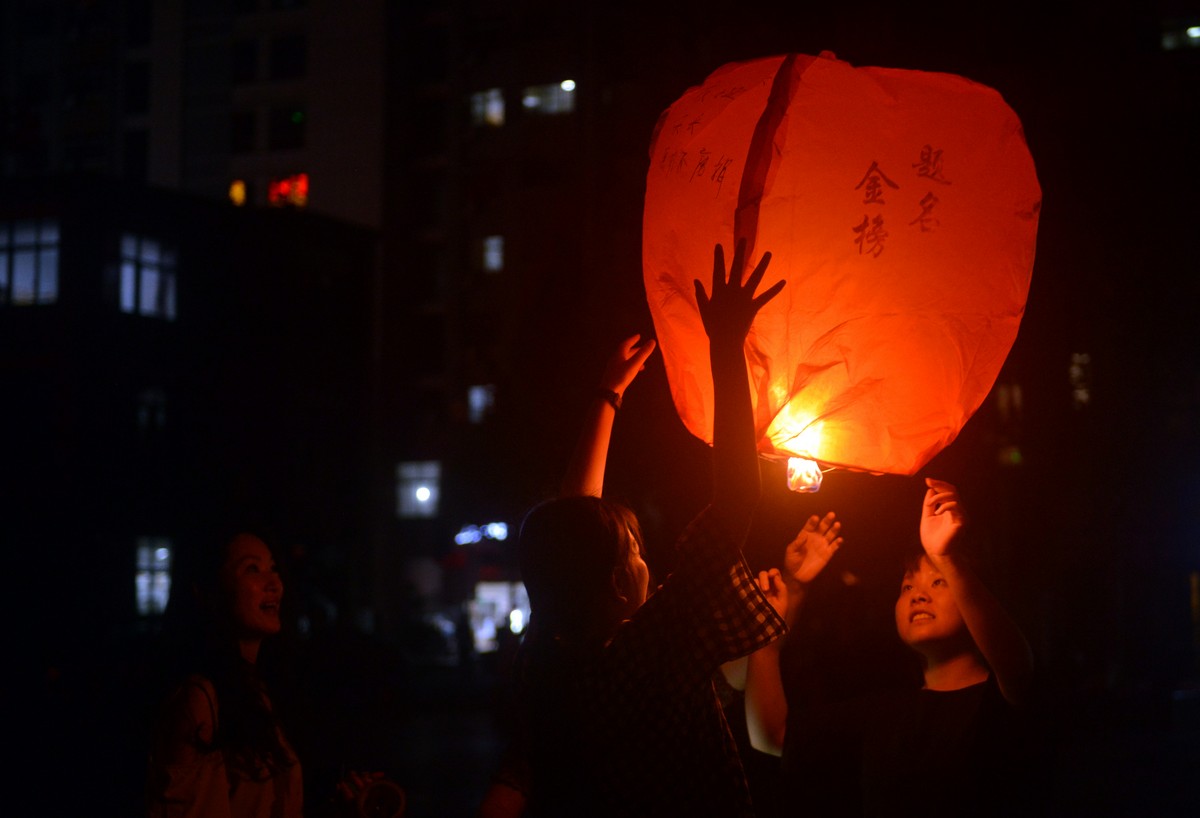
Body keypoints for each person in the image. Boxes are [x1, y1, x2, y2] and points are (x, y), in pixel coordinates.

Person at [480, 239, 788, 817]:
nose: (652, 563)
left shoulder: (545, 661)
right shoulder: (654, 643)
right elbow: (738, 497)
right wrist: (725, 344)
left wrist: (608, 394)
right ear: (621, 585)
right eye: (637, 552)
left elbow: (572, 529)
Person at [744, 478, 1040, 818]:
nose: (918, 594)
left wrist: (946, 556)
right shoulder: (885, 715)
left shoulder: (1001, 700)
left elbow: (1018, 667)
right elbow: (772, 737)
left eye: (937, 580)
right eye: (907, 585)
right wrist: (768, 635)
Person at [145, 527, 384, 818]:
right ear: (208, 592)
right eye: (252, 569)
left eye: (273, 568)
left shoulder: (258, 689)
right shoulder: (199, 702)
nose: (274, 582)